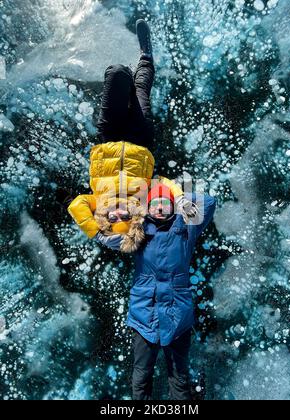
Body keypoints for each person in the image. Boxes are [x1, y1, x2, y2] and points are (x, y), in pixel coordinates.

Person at [67, 20, 197, 253]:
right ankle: (146, 54)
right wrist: (181, 201)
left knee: (117, 73)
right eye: (124, 217)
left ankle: (124, 74)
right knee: (140, 89)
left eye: (112, 219)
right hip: (140, 138)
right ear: (135, 217)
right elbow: (164, 183)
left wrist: (95, 233)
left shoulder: (96, 202)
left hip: (108, 137)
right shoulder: (144, 201)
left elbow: (76, 206)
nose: (117, 213)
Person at [97, 183, 217, 400]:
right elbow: (104, 234)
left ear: (173, 207)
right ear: (146, 207)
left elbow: (209, 202)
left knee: (179, 377)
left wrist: (179, 195)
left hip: (177, 315)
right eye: (154, 204)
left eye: (165, 203)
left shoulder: (187, 226)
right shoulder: (136, 229)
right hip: (145, 314)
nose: (159, 209)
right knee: (141, 375)